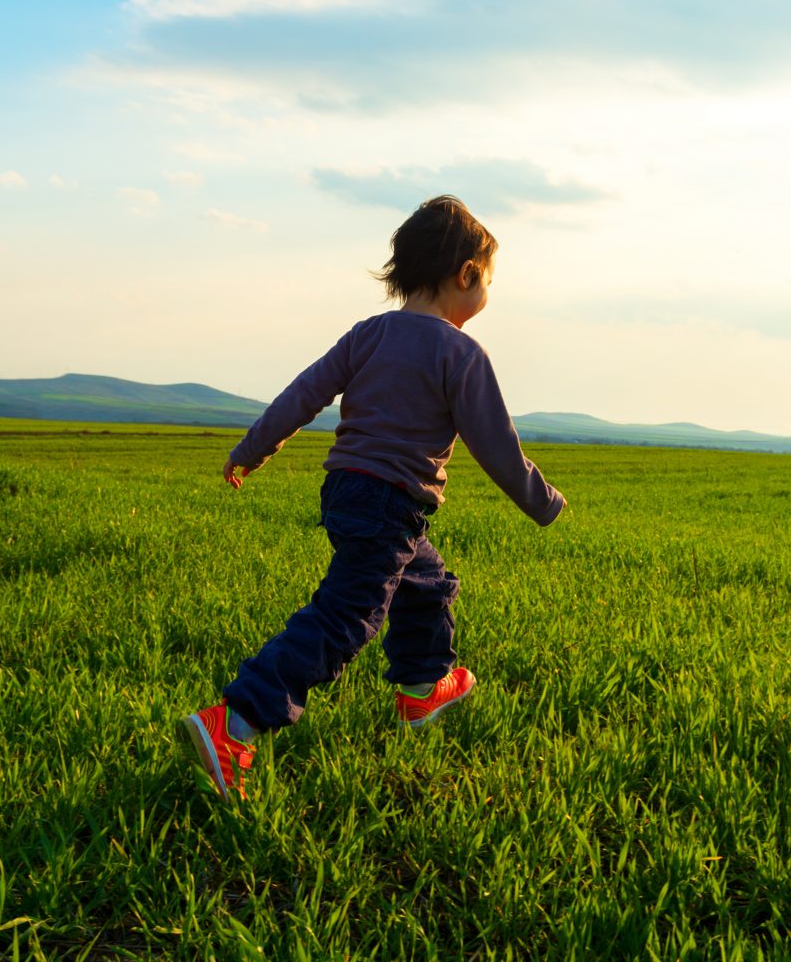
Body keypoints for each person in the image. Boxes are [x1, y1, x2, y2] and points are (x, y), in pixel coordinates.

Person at [181, 195, 567, 798]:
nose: (486, 293)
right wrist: (542, 501)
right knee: (347, 616)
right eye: (487, 281)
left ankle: (421, 688)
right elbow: (495, 443)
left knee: (426, 583)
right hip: (391, 502)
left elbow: (301, 395)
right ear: (466, 275)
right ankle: (235, 721)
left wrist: (251, 451)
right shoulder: (460, 353)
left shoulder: (368, 334)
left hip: (347, 492)